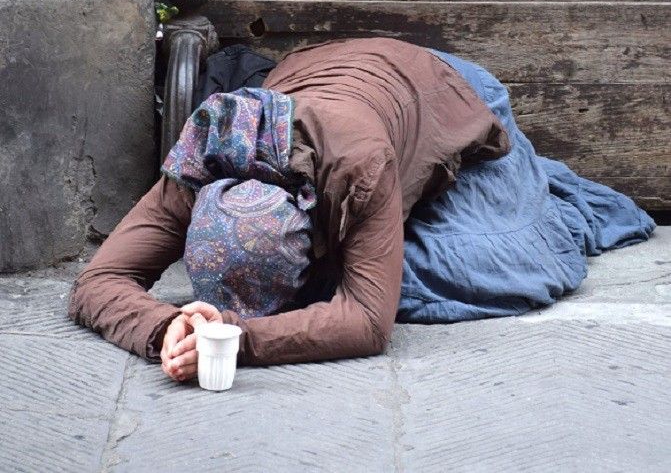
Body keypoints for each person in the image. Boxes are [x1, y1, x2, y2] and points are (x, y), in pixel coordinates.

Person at [68, 37, 510, 382]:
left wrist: (241, 339)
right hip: (314, 65)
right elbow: (96, 281)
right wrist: (165, 327)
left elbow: (370, 323)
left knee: (470, 267)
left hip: (445, 85)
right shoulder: (202, 157)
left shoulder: (361, 168)